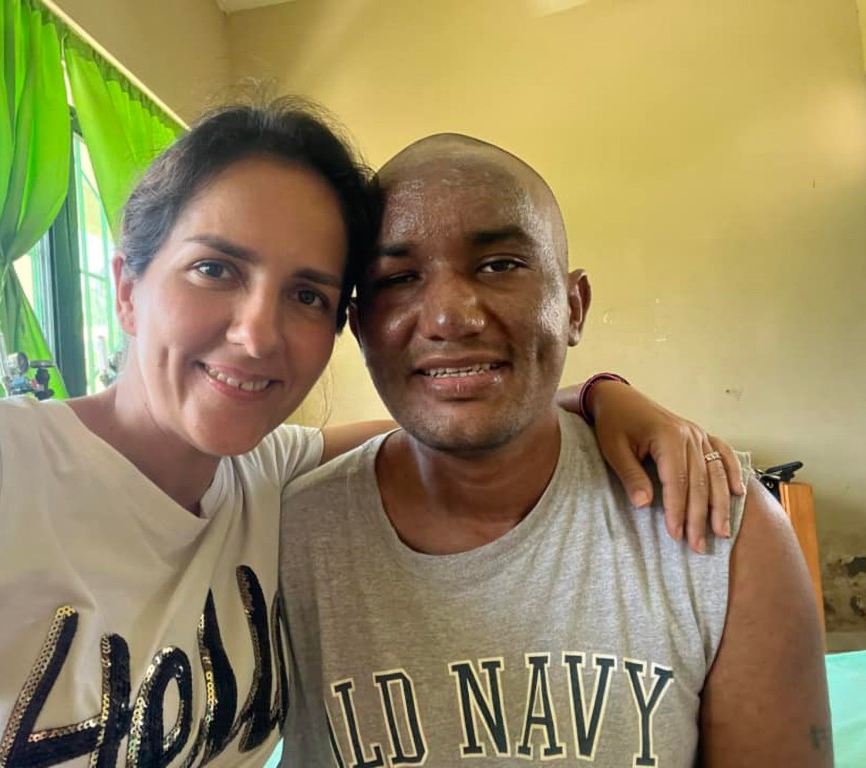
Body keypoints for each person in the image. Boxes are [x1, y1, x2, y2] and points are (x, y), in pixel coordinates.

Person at [0, 101, 741, 767]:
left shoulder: (264, 476)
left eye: (308, 294)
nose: (257, 332)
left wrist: (602, 396)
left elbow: (448, 414)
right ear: (128, 286)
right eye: (215, 268)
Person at [279, 134, 831, 766]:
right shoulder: (285, 535)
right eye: (398, 278)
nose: (451, 317)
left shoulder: (724, 531)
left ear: (573, 306)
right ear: (358, 325)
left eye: (499, 265)